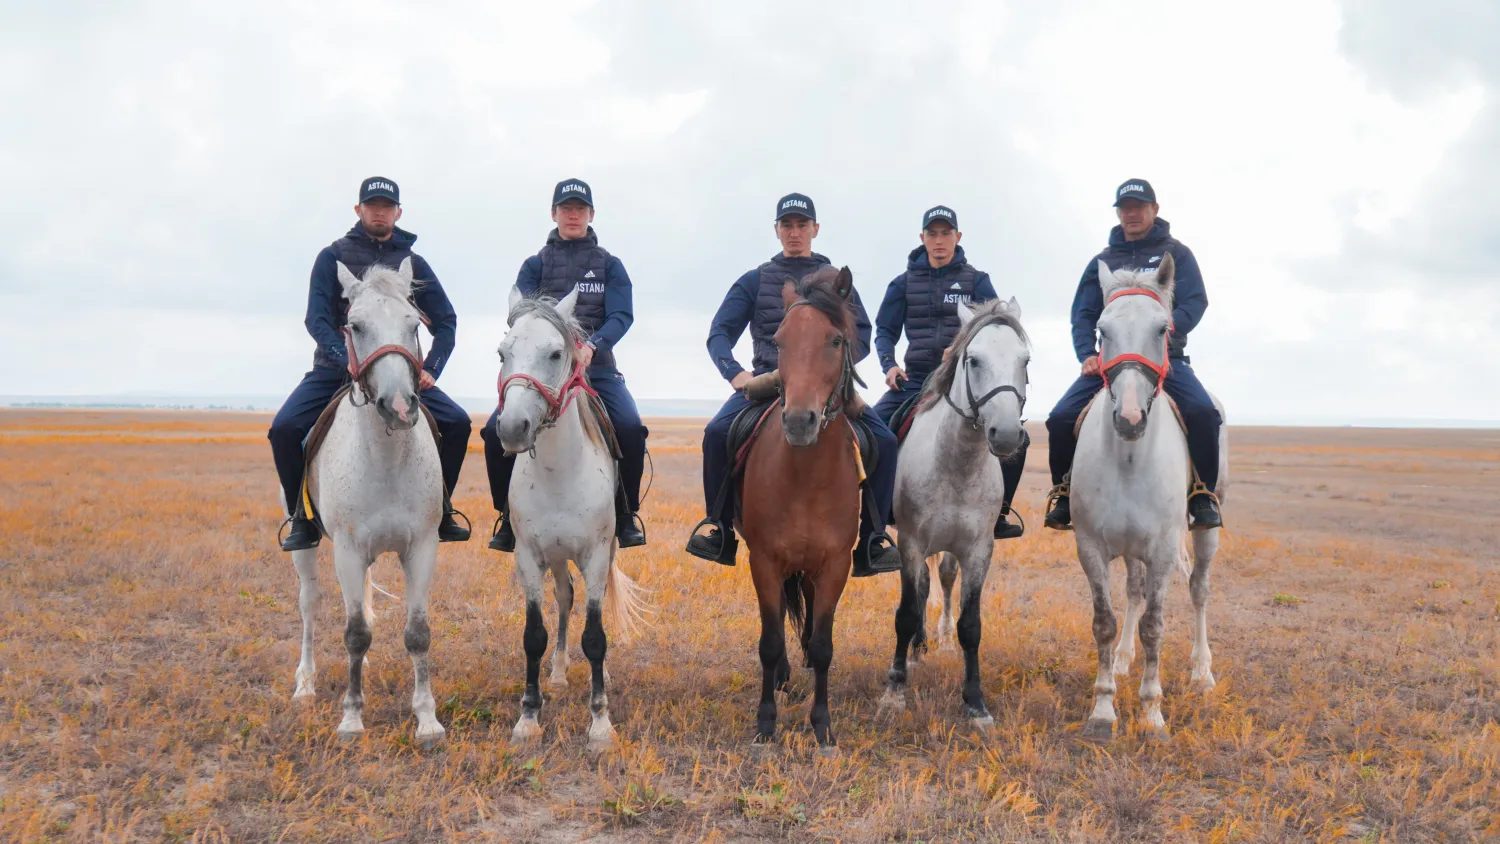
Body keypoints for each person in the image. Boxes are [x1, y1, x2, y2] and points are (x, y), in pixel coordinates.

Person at [685, 193, 902, 577]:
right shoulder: (755, 281)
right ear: (777, 231)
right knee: (717, 433)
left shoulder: (838, 282)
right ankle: (718, 527)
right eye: (787, 225)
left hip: (827, 385)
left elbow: (863, 334)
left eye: (803, 225)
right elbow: (719, 332)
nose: (795, 232)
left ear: (815, 230)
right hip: (768, 382)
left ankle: (873, 536)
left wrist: (831, 367)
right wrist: (736, 374)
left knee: (883, 441)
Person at [269, 177, 473, 551]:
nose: (379, 212)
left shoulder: (413, 263)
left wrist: (431, 369)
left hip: (400, 375)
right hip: (336, 371)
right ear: (358, 210)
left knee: (458, 423)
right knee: (283, 428)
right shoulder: (332, 257)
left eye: (386, 206)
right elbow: (316, 320)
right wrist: (343, 359)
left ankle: (441, 509)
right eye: (372, 205)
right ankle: (302, 517)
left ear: (398, 212)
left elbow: (445, 322)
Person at [1043, 178, 1223, 530]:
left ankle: (1202, 494)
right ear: (1118, 214)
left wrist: (1165, 331)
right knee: (1060, 418)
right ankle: (1064, 493)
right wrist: (1086, 354)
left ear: (1154, 210)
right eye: (1125, 209)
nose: (1132, 214)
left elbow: (1195, 301)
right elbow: (1082, 313)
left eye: (1139, 207)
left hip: (1164, 360)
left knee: (1204, 413)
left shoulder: (1178, 254)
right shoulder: (1103, 261)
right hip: (1110, 364)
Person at [480, 178, 649, 551]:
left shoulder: (610, 266)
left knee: (630, 428)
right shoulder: (534, 265)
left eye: (580, 209)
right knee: (494, 433)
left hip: (597, 370)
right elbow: (519, 316)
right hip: (543, 375)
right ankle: (507, 517)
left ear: (591, 214)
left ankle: (625, 515)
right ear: (554, 213)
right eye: (566, 209)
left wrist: (592, 345)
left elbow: (621, 316)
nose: (573, 215)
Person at [872, 205, 1028, 539]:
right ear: (922, 238)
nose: (939, 240)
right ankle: (876, 521)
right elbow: (884, 331)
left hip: (966, 379)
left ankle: (997, 515)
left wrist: (959, 349)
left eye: (946, 233)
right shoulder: (902, 284)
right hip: (914, 381)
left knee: (1019, 438)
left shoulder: (977, 280)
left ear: (958, 237)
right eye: (933, 233)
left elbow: (996, 325)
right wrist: (889, 364)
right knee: (872, 434)